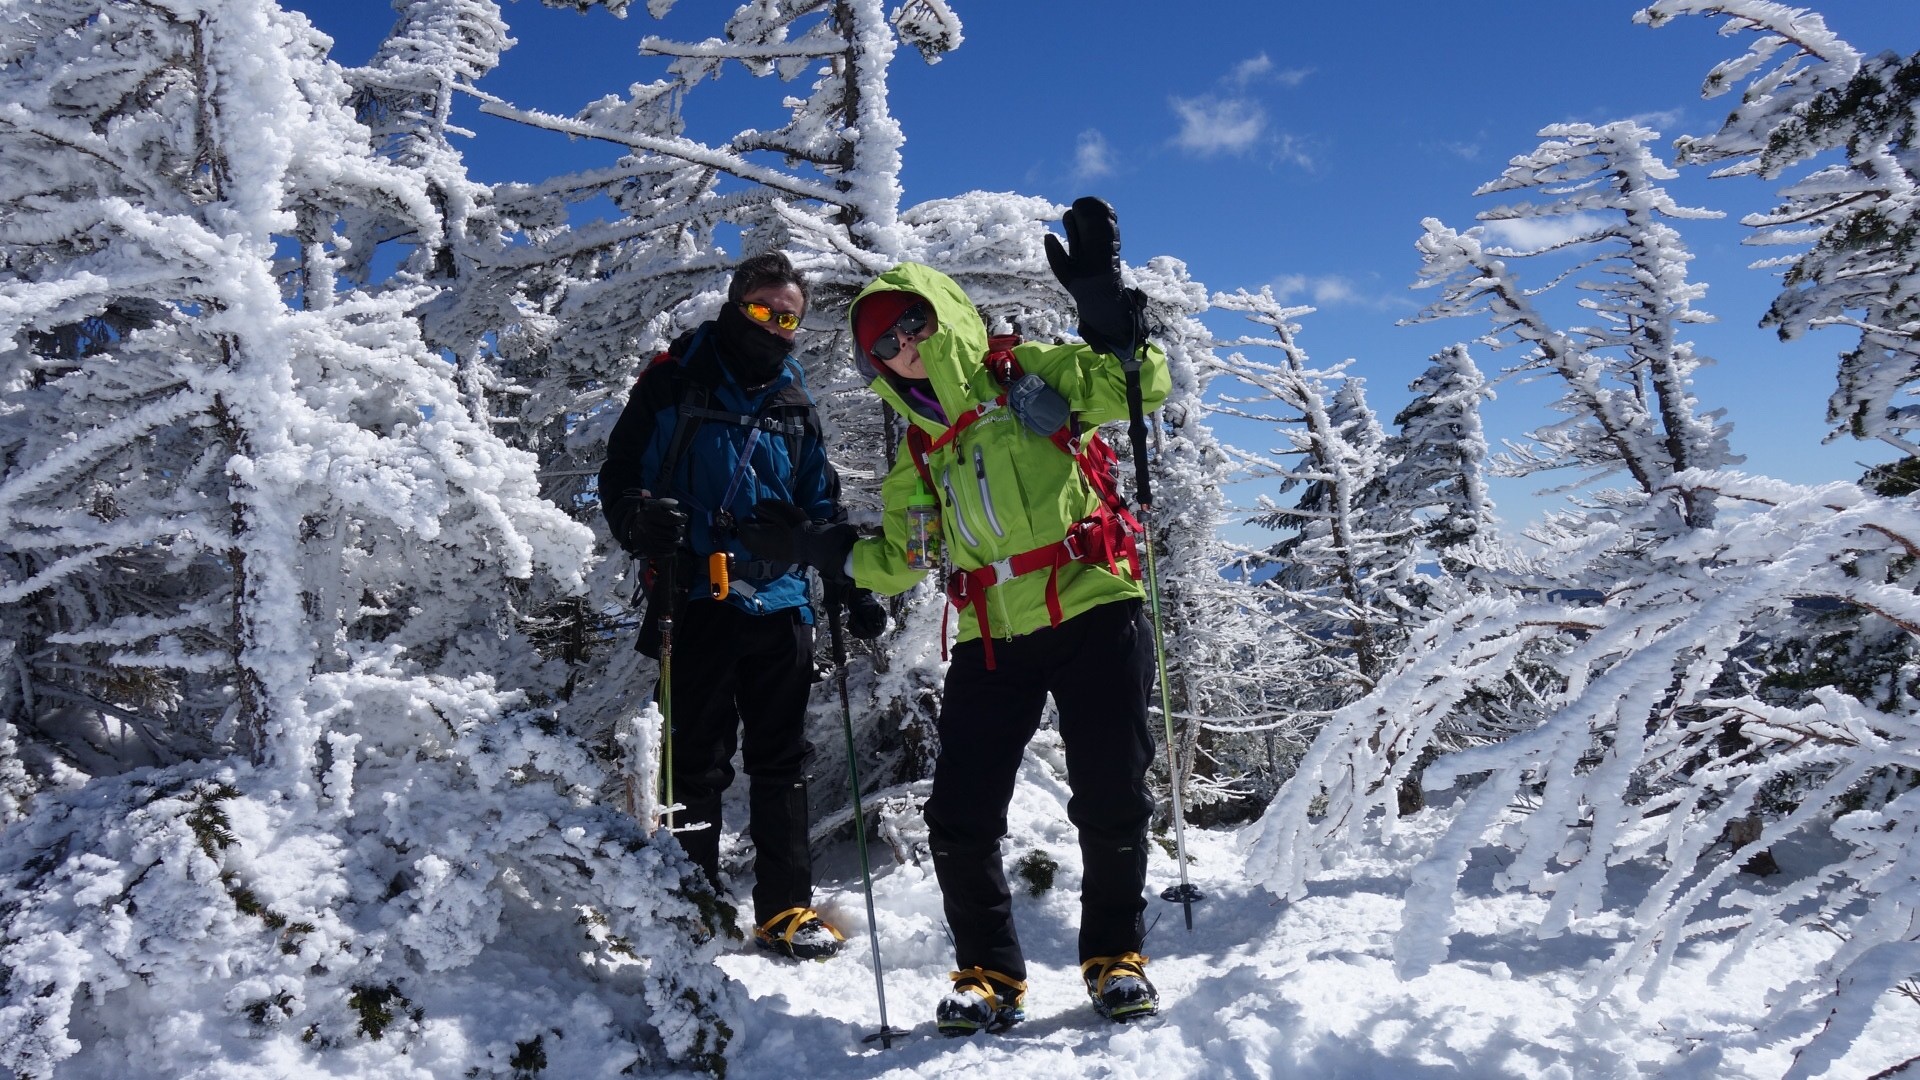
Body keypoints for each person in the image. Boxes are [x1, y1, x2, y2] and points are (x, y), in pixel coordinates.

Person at [739, 199, 1172, 1031]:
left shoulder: (1027, 372)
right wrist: (818, 548)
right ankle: (988, 975)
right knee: (961, 816)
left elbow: (1140, 384)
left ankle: (1115, 959)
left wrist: (1109, 318)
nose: (903, 347)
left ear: (942, 314)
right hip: (993, 638)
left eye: (912, 324)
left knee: (1111, 795)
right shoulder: (919, 450)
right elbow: (903, 559)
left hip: (1095, 607)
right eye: (882, 345)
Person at [598, 251, 886, 962]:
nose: (775, 326)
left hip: (782, 603)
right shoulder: (675, 380)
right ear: (734, 306)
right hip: (698, 596)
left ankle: (785, 909)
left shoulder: (793, 401)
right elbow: (621, 472)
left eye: (789, 318)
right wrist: (637, 520)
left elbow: (822, 501)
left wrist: (850, 585)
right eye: (763, 310)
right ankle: (690, 907)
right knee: (695, 762)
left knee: (782, 760)